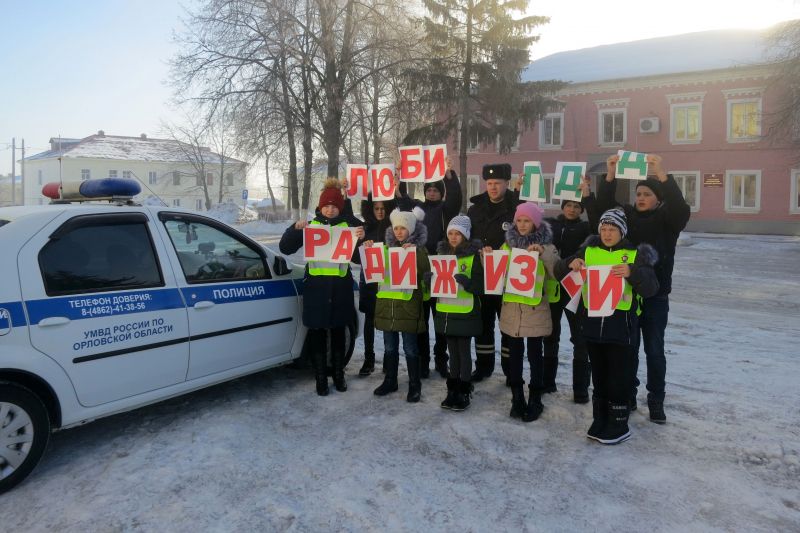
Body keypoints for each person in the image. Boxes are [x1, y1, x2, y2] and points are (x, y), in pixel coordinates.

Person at [591, 154, 690, 423]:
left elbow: (681, 208)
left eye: (647, 194)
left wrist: (660, 172)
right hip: (629, 294)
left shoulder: (668, 220)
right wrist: (610, 174)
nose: (641, 198)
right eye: (638, 193)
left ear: (658, 198)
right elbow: (603, 209)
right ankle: (630, 394)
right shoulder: (628, 218)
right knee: (630, 349)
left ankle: (656, 399)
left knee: (654, 350)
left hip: (656, 297)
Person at [555, 208, 659, 444]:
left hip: (620, 325)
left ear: (622, 231)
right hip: (592, 325)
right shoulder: (589, 251)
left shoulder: (634, 254)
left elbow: (652, 287)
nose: (607, 233)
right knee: (600, 374)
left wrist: (633, 273)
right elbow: (558, 270)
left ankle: (619, 422)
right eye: (603, 229)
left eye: (612, 229)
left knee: (618, 376)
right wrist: (571, 263)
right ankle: (600, 417)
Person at [279, 178, 365, 396]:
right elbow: (285, 248)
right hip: (316, 290)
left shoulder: (349, 227)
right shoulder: (311, 226)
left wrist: (362, 241)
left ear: (340, 208)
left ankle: (338, 374)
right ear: (320, 206)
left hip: (340, 290)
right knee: (316, 333)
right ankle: (320, 377)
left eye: (334, 206)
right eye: (326, 205)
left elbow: (358, 259)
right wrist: (294, 229)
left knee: (338, 332)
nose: (330, 209)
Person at [398, 158, 463, 378]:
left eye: (436, 190)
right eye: (429, 189)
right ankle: (423, 361)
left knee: (440, 317)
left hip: (441, 267)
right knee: (422, 318)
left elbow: (456, 198)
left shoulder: (446, 208)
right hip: (420, 267)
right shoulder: (419, 208)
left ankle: (440, 360)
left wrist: (450, 177)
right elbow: (403, 202)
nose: (432, 193)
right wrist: (401, 176)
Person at [495, 202, 559, 422]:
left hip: (535, 310)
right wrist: (488, 259)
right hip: (512, 310)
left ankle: (535, 398)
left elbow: (556, 272)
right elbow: (496, 276)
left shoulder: (547, 247)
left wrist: (543, 255)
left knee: (535, 355)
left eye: (527, 220)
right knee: (514, 355)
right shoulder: (507, 247)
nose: (522, 225)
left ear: (535, 223)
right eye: (519, 220)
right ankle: (517, 397)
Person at [466, 163, 524, 383]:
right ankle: (483, 367)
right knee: (484, 324)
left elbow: (526, 234)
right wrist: (477, 249)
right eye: (489, 183)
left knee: (508, 325)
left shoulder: (516, 207)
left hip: (509, 276)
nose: (492, 187)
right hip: (482, 275)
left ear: (506, 183)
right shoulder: (475, 209)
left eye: (497, 183)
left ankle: (511, 370)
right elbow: (468, 238)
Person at [370, 207, 430, 402]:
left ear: (411, 230)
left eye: (403, 228)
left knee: (411, 348)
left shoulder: (419, 250)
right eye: (396, 228)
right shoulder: (385, 250)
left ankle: (414, 384)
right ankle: (390, 380)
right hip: (388, 306)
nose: (399, 232)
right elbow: (372, 268)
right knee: (389, 348)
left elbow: (425, 271)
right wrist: (370, 248)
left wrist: (415, 253)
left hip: (408, 307)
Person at [430, 215, 483, 411]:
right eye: (450, 233)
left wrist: (468, 283)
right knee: (452, 352)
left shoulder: (473, 257)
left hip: (465, 312)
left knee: (464, 353)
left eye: (458, 234)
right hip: (446, 311)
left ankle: (464, 389)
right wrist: (430, 281)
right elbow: (436, 286)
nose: (453, 237)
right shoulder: (440, 256)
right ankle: (452, 390)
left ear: (465, 236)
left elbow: (481, 286)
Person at [542, 199, 592, 403]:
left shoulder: (587, 228)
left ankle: (580, 389)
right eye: (568, 205)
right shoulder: (551, 225)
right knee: (550, 335)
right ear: (562, 207)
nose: (572, 209)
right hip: (554, 287)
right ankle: (547, 382)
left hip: (576, 288)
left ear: (582, 210)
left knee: (580, 338)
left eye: (577, 206)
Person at [357, 194, 397, 377]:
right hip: (370, 281)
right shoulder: (364, 228)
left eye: (383, 208)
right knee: (369, 321)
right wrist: (362, 244)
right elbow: (354, 258)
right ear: (370, 209)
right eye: (376, 208)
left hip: (389, 280)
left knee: (389, 321)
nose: (380, 212)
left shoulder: (394, 228)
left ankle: (389, 361)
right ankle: (369, 358)